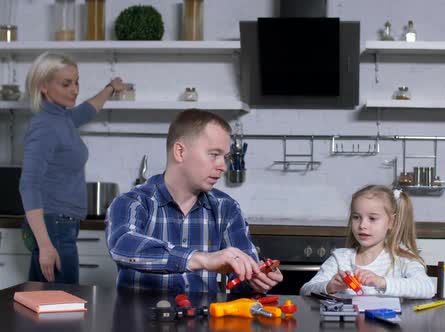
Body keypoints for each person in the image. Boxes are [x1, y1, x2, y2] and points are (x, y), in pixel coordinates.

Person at [105, 109, 283, 294]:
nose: (223, 166)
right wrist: (202, 259)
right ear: (180, 152)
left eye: (226, 157)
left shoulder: (227, 209)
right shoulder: (132, 203)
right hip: (138, 322)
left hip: (205, 322)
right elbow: (122, 245)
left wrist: (257, 278)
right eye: (214, 154)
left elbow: (242, 287)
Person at [19, 51, 125, 284]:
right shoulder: (45, 126)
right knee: (61, 305)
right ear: (43, 87)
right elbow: (28, 185)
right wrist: (45, 245)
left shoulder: (62, 118)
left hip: (62, 225)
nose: (75, 89)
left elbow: (88, 109)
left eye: (76, 82)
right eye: (66, 84)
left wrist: (110, 88)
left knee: (49, 305)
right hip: (53, 227)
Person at [300, 185, 435, 298]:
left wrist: (382, 282)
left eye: (372, 218)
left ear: (391, 222)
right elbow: (305, 290)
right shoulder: (340, 258)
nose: (362, 225)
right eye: (356, 217)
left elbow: (428, 288)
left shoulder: (402, 258)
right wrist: (329, 286)